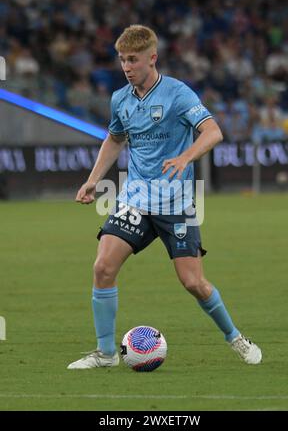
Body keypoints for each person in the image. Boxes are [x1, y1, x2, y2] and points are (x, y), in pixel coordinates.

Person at [67, 25, 262, 369]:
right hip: (135, 198)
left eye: (133, 60)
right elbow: (115, 139)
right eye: (122, 60)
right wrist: (93, 180)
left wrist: (186, 157)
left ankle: (236, 338)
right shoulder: (120, 99)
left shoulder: (178, 94)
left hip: (176, 203)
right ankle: (106, 353)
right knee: (102, 267)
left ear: (152, 58)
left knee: (193, 282)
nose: (127, 67)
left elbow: (213, 131)